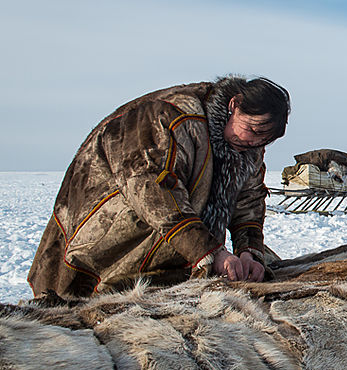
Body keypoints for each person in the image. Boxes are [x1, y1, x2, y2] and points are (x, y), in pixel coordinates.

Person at [27, 75, 291, 301]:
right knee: (82, 312)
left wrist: (249, 252)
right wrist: (208, 251)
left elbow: (249, 201)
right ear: (234, 105)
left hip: (170, 259)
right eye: (252, 129)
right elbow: (154, 193)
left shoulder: (248, 146)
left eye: (264, 140)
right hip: (108, 241)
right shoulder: (170, 116)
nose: (254, 142)